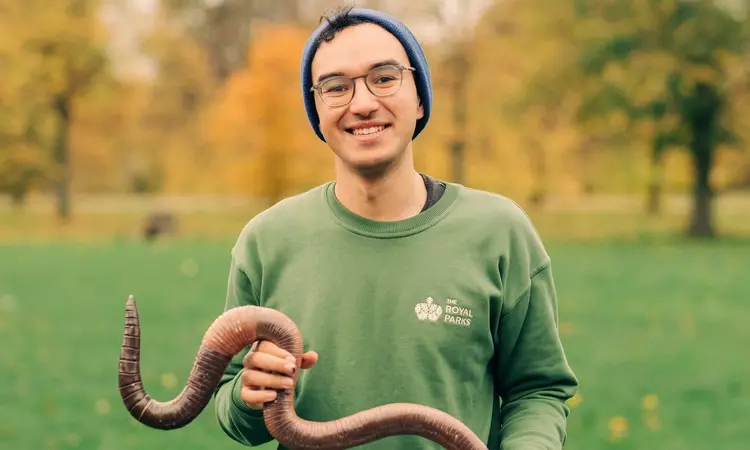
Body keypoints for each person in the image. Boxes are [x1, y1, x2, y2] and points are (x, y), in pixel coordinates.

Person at [213, 5, 578, 449]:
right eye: (336, 87)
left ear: (420, 98)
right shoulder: (267, 242)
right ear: (316, 109)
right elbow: (234, 410)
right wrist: (249, 397)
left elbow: (536, 389)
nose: (363, 103)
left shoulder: (498, 233)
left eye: (384, 78)